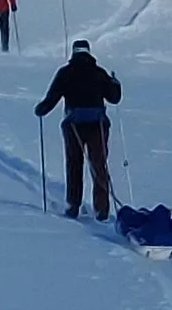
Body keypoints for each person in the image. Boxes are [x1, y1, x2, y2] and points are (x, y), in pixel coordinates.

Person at [35, 40, 122, 219]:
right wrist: (115, 83)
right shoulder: (99, 72)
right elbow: (114, 98)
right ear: (89, 53)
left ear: (73, 53)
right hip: (98, 124)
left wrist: (41, 109)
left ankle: (73, 205)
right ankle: (102, 210)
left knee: (74, 164)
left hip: (73, 123)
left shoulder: (65, 72)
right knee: (98, 164)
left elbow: (52, 98)